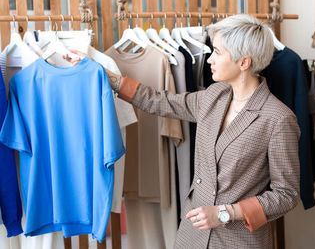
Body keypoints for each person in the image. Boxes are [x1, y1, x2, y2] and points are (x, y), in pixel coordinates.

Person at [67, 14, 300, 249]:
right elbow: (161, 101)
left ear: (244, 62)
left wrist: (226, 213)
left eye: (218, 52)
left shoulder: (278, 119)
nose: (209, 59)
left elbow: (286, 194)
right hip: (192, 232)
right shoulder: (215, 96)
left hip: (238, 239)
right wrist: (111, 79)